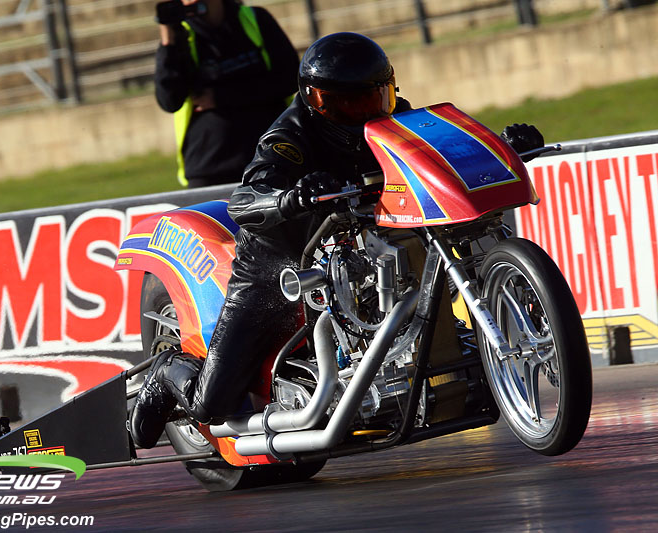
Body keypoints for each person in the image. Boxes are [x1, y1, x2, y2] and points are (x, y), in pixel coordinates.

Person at [130, 32, 545, 448]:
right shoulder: (289, 136)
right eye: (345, 104)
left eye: (373, 99)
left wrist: (500, 147)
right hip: (278, 266)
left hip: (359, 244)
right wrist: (291, 197)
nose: (362, 113)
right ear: (315, 100)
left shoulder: (398, 120)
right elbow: (245, 200)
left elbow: (444, 153)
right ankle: (167, 372)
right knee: (212, 403)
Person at [154, 0, 299, 188]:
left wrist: (220, 97)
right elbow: (169, 100)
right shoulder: (182, 34)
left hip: (270, 156)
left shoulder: (255, 19)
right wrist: (168, 40)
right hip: (210, 165)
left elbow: (290, 78)